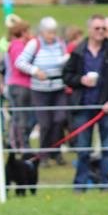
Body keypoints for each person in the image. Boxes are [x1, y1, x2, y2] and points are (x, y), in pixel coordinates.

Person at [62, 15, 108, 191]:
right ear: (89, 30)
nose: (101, 31)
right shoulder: (79, 51)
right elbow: (67, 75)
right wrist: (81, 80)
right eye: (97, 28)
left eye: (103, 28)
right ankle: (80, 185)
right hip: (83, 106)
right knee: (83, 149)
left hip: (105, 108)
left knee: (107, 148)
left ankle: (105, 184)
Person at [16, 17, 69, 165]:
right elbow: (20, 62)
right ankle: (44, 154)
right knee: (45, 123)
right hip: (40, 90)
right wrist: (35, 71)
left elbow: (64, 59)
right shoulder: (35, 44)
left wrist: (65, 61)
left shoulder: (60, 43)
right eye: (49, 32)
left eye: (54, 32)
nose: (52, 35)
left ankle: (56, 152)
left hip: (58, 87)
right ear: (42, 32)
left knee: (59, 119)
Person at [5, 18, 34, 150]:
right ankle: (21, 144)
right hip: (20, 85)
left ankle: (15, 142)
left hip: (17, 84)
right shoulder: (18, 46)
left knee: (18, 116)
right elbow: (19, 65)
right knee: (21, 117)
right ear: (23, 32)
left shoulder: (14, 44)